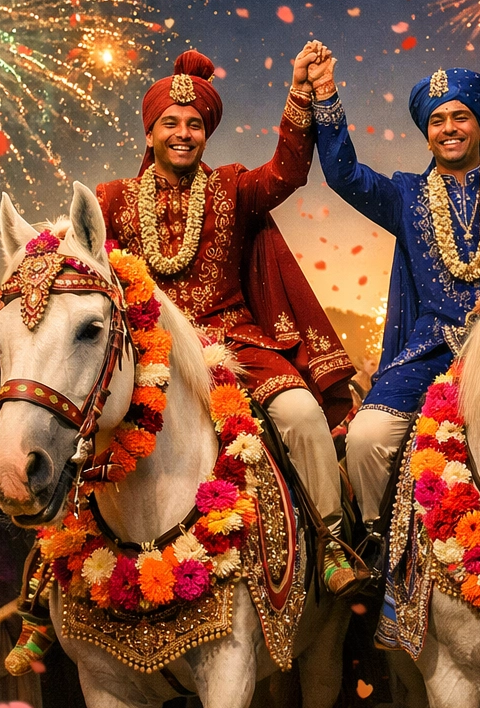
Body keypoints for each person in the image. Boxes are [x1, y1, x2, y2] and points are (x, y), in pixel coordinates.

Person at [94, 45, 358, 591]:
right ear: (149, 133)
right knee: (78, 422)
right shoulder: (113, 200)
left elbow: (288, 170)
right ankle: (52, 568)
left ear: (206, 135)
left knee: (304, 416)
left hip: (236, 345)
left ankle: (331, 541)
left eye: (195, 124)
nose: (183, 133)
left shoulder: (233, 185)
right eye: (170, 123)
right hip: (152, 354)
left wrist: (300, 89)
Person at [306, 48, 480, 542]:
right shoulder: (405, 194)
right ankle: (384, 545)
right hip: (432, 349)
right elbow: (342, 175)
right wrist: (325, 94)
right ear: (427, 133)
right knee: (367, 439)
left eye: (460, 116)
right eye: (437, 120)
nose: (448, 128)